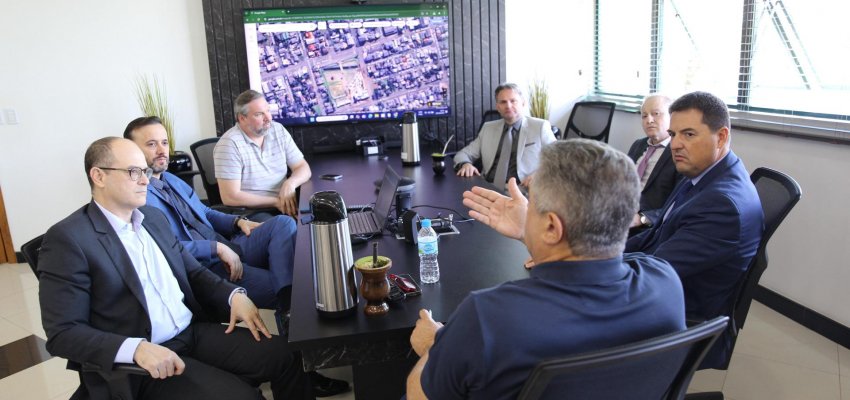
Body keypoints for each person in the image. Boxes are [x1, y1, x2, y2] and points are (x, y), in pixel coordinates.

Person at [406, 139, 686, 399]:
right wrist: (531, 233)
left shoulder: (487, 318)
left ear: (552, 227)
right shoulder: (665, 282)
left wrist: (434, 346)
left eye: (533, 205)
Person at [38, 137, 313, 399]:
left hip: (189, 332)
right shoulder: (69, 239)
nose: (146, 179)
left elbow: (193, 271)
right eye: (134, 172)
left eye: (144, 171)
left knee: (290, 355)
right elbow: (63, 333)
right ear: (99, 176)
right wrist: (136, 349)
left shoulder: (152, 219)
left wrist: (234, 295)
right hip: (144, 360)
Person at [124, 117, 350, 397]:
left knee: (283, 225)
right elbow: (168, 250)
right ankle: (295, 324)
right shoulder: (139, 197)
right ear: (131, 151)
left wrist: (238, 222)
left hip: (228, 245)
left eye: (164, 142)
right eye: (151, 144)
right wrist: (216, 249)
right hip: (207, 269)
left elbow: (205, 213)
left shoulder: (170, 180)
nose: (161, 150)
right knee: (290, 286)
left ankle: (289, 308)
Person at [626, 91, 764, 368]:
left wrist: (581, 265)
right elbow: (653, 236)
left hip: (679, 312)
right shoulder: (702, 174)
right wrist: (590, 253)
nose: (675, 144)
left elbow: (652, 274)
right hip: (667, 284)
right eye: (674, 134)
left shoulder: (722, 204)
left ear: (721, 137)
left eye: (689, 135)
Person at [214, 89, 311, 217]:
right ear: (242, 118)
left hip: (284, 203)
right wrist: (276, 202)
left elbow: (303, 168)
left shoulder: (278, 130)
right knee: (287, 228)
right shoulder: (229, 144)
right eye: (259, 114)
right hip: (252, 211)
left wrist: (290, 183)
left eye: (268, 111)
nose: (268, 118)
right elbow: (230, 196)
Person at [453, 82, 556, 188]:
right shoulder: (488, 128)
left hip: (523, 189)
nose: (508, 106)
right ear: (498, 107)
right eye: (503, 102)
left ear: (523, 103)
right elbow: (463, 154)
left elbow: (559, 160)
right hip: (487, 187)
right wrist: (466, 164)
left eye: (513, 101)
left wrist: (539, 175)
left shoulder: (540, 127)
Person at [627, 94, 681, 229]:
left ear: (672, 117)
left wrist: (641, 219)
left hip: (647, 226)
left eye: (656, 114)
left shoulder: (679, 152)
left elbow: (679, 204)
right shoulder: (638, 145)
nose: (649, 120)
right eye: (644, 116)